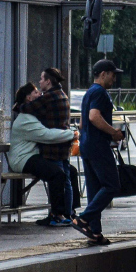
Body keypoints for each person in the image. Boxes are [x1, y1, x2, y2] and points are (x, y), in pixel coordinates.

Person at [73, 60, 126, 245]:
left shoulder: (88, 92)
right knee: (112, 185)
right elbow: (94, 116)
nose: (114, 78)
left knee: (94, 190)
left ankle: (95, 233)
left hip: (86, 144)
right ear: (103, 74)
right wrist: (113, 133)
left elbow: (81, 123)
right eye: (113, 74)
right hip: (98, 145)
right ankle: (83, 219)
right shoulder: (100, 93)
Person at [8, 83, 76, 226]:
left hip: (33, 155)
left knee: (71, 171)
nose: (40, 94)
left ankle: (70, 210)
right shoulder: (26, 119)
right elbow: (46, 135)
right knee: (56, 173)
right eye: (36, 92)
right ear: (28, 98)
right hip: (23, 158)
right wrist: (71, 134)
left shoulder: (33, 114)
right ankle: (56, 214)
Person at [22, 68, 75, 217]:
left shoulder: (49, 97)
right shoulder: (63, 95)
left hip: (53, 147)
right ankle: (67, 212)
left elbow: (27, 107)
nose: (39, 82)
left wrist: (17, 106)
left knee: (57, 180)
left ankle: (57, 214)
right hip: (64, 144)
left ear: (48, 81)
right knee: (67, 181)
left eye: (41, 79)